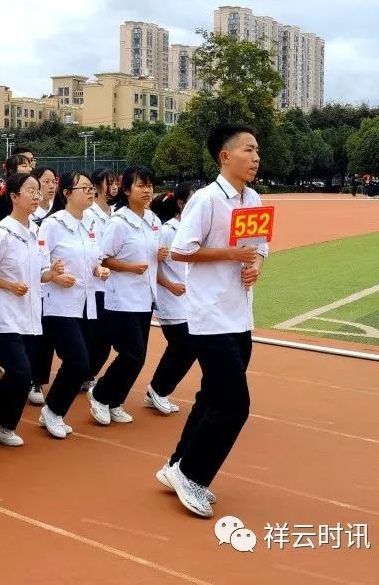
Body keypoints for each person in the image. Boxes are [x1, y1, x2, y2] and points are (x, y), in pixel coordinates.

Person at [159, 125, 266, 518]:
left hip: (240, 316)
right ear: (225, 156)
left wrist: (255, 267)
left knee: (211, 397)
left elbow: (259, 248)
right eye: (248, 150)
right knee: (235, 404)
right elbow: (180, 250)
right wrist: (230, 254)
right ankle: (193, 475)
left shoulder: (253, 198)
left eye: (257, 150)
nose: (256, 157)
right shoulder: (206, 200)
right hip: (209, 317)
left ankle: (176, 464)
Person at [0, 173, 54, 447]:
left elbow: (42, 273)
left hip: (30, 314)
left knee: (26, 374)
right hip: (4, 314)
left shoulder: (37, 232)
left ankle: (4, 426)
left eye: (37, 191)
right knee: (19, 371)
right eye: (30, 190)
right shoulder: (2, 233)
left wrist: (54, 273)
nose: (36, 195)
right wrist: (10, 285)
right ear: (13, 196)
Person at [37, 171, 110, 438]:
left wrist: (99, 269)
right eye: (85, 188)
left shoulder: (91, 223)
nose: (91, 193)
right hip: (58, 305)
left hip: (86, 303)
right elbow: (39, 264)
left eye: (92, 189)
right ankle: (53, 411)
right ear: (67, 193)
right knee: (77, 361)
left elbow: (94, 258)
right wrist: (55, 276)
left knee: (84, 362)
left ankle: (53, 409)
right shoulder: (52, 225)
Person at [89, 166, 160, 426]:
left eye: (149, 185)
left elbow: (154, 252)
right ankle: (100, 394)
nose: (147, 190)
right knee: (133, 354)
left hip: (145, 298)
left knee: (138, 357)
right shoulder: (118, 222)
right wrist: (129, 267)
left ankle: (115, 401)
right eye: (140, 185)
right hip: (121, 299)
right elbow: (102, 257)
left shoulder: (153, 220)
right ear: (127, 190)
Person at [145, 184, 198, 415]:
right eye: (193, 201)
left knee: (187, 346)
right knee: (183, 346)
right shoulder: (167, 231)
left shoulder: (193, 230)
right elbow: (152, 265)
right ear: (181, 204)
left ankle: (157, 391)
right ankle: (158, 389)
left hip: (189, 299)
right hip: (169, 298)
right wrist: (170, 285)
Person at [27, 165, 59, 404]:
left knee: (46, 335)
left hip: (51, 282)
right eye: (45, 181)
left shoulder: (58, 212)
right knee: (33, 336)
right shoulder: (29, 213)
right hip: (30, 283)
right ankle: (29, 378)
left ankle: (37, 380)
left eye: (52, 181)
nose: (50, 186)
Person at [83, 167, 118, 389]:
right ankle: (83, 373)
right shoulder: (89, 214)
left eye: (115, 182)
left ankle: (88, 373)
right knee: (94, 335)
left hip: (114, 285)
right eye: (109, 182)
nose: (113, 187)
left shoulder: (117, 213)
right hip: (95, 284)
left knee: (106, 338)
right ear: (96, 186)